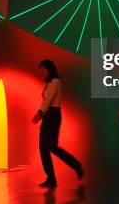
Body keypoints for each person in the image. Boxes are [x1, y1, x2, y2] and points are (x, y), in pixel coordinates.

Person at [32, 59, 83, 188]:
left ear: (50, 69)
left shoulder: (55, 82)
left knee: (45, 147)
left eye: (43, 69)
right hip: (51, 116)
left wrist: (40, 113)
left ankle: (52, 178)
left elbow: (48, 100)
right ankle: (74, 166)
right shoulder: (51, 83)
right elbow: (47, 100)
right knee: (51, 147)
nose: (42, 72)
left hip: (51, 115)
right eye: (41, 70)